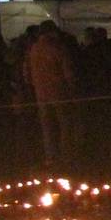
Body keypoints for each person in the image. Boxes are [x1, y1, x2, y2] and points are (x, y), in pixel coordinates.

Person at [25, 21, 78, 163]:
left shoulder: (34, 49)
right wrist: (72, 89)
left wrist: (34, 84)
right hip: (59, 91)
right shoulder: (57, 47)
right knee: (64, 125)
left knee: (47, 127)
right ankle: (67, 156)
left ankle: (51, 157)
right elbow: (68, 71)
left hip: (40, 93)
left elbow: (27, 73)